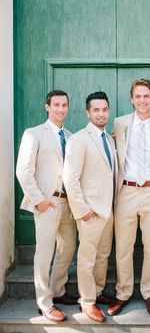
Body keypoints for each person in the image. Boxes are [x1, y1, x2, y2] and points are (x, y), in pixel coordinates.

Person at [108, 78, 150, 317]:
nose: (142, 100)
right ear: (131, 99)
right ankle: (123, 293)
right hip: (126, 191)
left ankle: (149, 293)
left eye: (146, 96)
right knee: (123, 247)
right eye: (138, 96)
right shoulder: (119, 123)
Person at [16, 90, 77, 322]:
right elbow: (23, 171)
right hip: (47, 202)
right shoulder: (34, 134)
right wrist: (38, 200)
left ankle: (58, 291)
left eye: (65, 105)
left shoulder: (71, 136)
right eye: (56, 105)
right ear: (47, 107)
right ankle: (44, 302)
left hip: (67, 203)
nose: (61, 109)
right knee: (44, 253)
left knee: (68, 248)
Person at [63, 91, 117, 323]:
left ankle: (96, 291)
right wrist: (82, 210)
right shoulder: (79, 139)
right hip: (90, 211)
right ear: (88, 112)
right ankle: (86, 302)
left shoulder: (111, 139)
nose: (101, 113)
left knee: (103, 255)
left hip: (109, 210)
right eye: (96, 110)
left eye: (104, 109)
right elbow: (70, 178)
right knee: (87, 258)